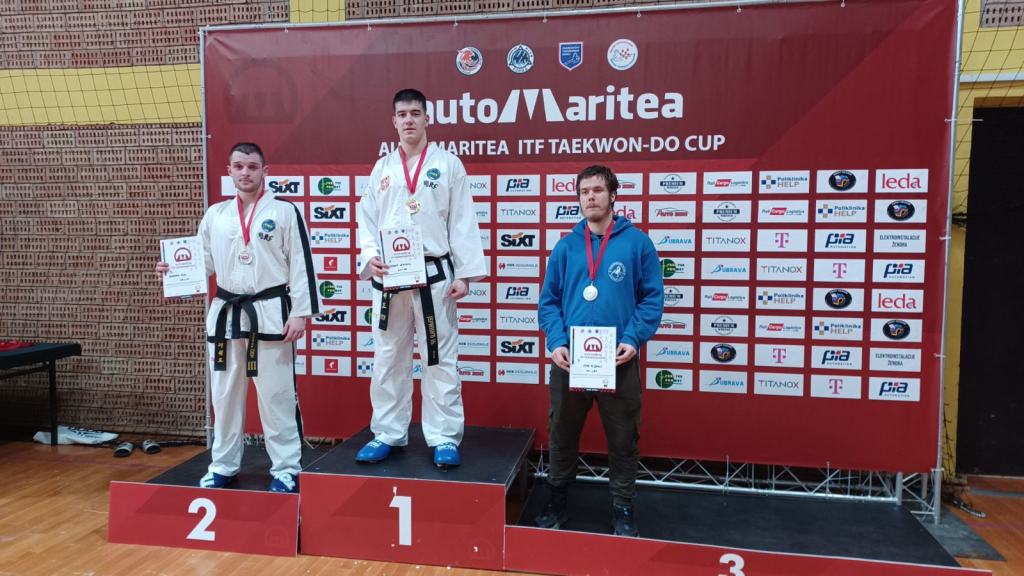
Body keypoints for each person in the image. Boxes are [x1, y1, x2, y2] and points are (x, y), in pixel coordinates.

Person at [156, 142, 319, 493]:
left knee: (276, 396)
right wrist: (174, 273)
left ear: (265, 172)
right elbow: (202, 263)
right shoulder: (216, 214)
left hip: (271, 314)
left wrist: (301, 313)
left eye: (253, 167)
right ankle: (222, 465)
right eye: (239, 166)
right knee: (225, 395)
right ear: (229, 171)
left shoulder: (285, 211)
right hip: (226, 315)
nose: (246, 173)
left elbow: (302, 265)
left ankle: (287, 469)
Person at [356, 89, 487, 467]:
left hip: (434, 275)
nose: (409, 120)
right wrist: (370, 255)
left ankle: (444, 435)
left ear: (427, 118)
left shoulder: (448, 164)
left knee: (439, 357)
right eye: (402, 114)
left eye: (415, 113)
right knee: (387, 357)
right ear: (394, 121)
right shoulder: (382, 168)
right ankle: (387, 432)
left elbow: (462, 219)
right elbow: (367, 219)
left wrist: (465, 274)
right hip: (390, 276)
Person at [536, 165, 664, 537]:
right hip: (570, 361)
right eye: (584, 191)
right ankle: (557, 500)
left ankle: (623, 507)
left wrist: (633, 339)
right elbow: (549, 303)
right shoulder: (566, 246)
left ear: (613, 195)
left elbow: (652, 299)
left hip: (618, 360)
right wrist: (557, 342)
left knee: (624, 438)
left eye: (597, 190)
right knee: (561, 434)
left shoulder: (637, 243)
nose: (590, 197)